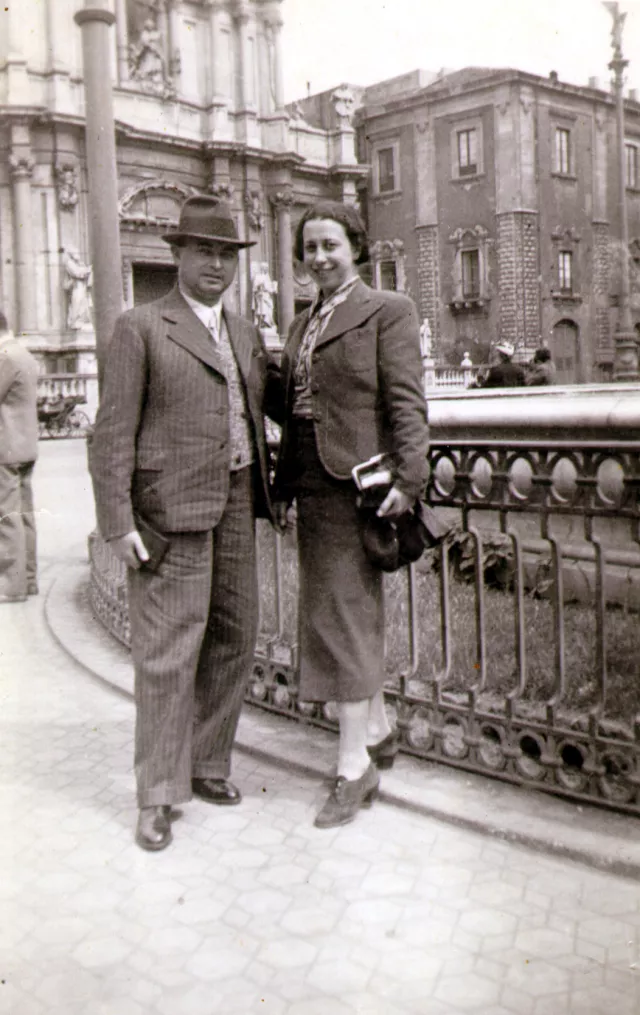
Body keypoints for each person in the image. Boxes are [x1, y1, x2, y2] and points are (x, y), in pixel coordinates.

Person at [90, 196, 283, 852]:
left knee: (235, 635)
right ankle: (156, 794)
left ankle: (206, 763)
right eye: (203, 251)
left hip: (235, 500)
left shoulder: (245, 332)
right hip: (169, 512)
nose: (216, 264)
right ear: (177, 254)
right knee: (169, 652)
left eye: (227, 254)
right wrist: (117, 522)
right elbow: (111, 433)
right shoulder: (141, 327)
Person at [273, 200, 430, 829]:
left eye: (330, 245)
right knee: (339, 611)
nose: (318, 258)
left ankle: (352, 767)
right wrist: (282, 484)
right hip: (312, 480)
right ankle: (380, 731)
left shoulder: (387, 310)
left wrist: (411, 479)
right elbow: (292, 411)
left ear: (356, 247)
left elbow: (407, 401)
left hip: (358, 486)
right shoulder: (301, 321)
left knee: (341, 617)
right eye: (309, 247)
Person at [0, 311, 39, 603]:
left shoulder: (5, 357)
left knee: (8, 517)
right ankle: (28, 579)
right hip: (26, 445)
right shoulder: (24, 354)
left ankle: (12, 587)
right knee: (24, 515)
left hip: (6, 449)